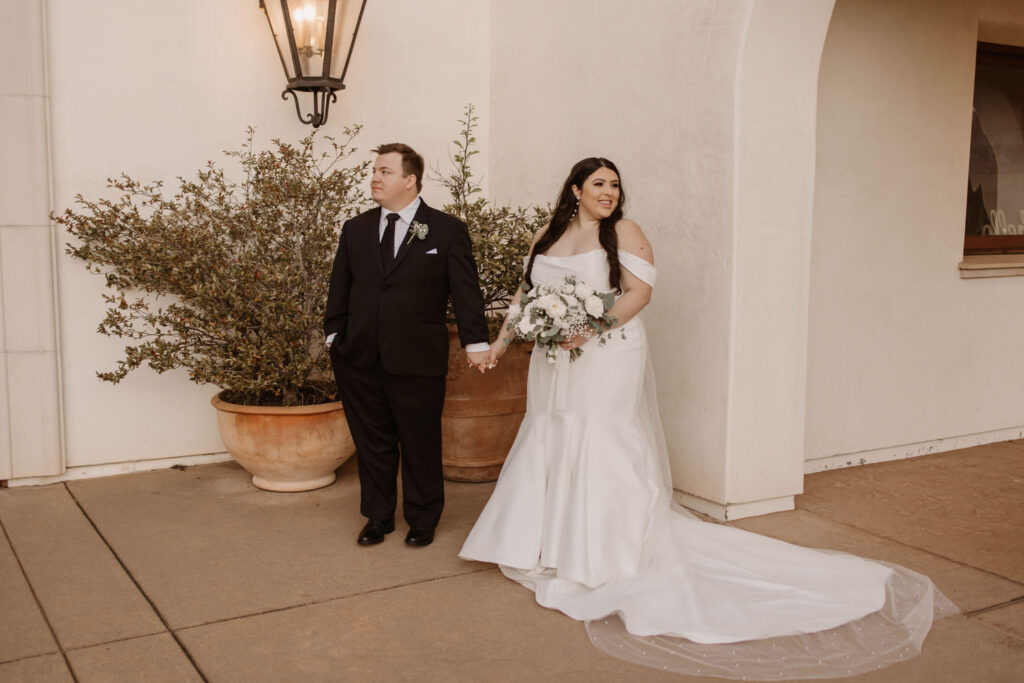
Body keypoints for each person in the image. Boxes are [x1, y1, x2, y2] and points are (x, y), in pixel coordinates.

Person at [459, 158, 953, 678]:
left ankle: (605, 551)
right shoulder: (546, 234)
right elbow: (526, 295)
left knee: (601, 438)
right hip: (554, 358)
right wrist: (502, 341)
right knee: (552, 435)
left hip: (606, 352)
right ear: (576, 189)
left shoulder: (624, 230)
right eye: (599, 184)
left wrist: (591, 326)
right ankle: (550, 543)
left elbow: (640, 292)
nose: (609, 192)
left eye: (616, 185)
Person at [324, 143, 491, 548]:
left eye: (384, 171)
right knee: (372, 442)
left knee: (420, 441)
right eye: (375, 171)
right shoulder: (356, 228)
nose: (375, 178)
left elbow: (465, 290)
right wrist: (334, 337)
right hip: (359, 356)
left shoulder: (447, 229)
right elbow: (339, 288)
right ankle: (378, 517)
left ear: (409, 179)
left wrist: (477, 342)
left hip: (417, 357)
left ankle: (423, 517)